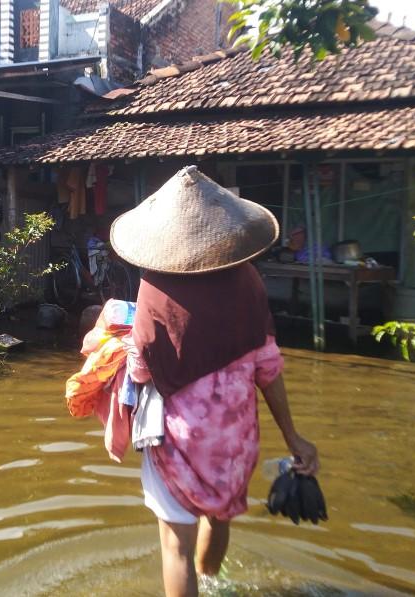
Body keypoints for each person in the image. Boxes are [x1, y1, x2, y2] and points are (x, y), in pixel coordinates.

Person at [110, 166, 320, 597]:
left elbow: (142, 371)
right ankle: (212, 587)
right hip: (237, 437)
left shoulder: (156, 287)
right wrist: (294, 438)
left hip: (181, 438)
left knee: (175, 548)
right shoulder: (248, 282)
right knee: (219, 517)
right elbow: (268, 367)